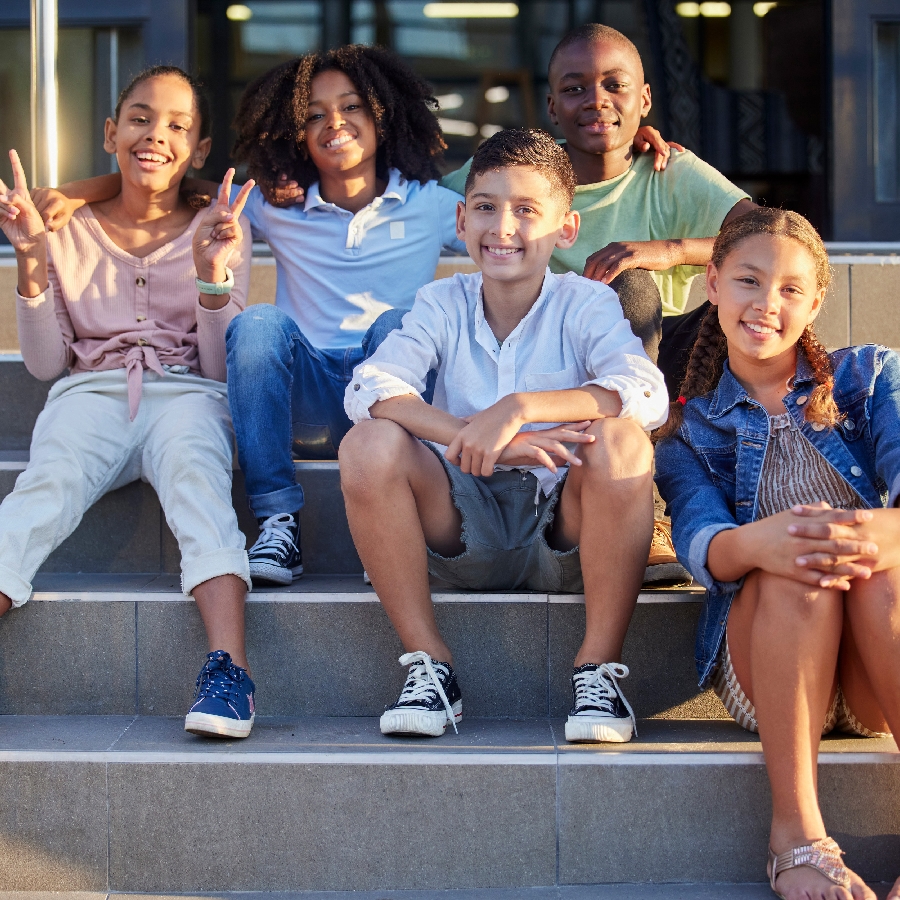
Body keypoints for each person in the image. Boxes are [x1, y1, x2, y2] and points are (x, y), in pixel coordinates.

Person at [339, 128, 668, 742]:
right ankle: (431, 668)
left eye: (526, 211)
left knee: (624, 441)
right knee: (366, 443)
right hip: (463, 524)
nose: (503, 228)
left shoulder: (584, 304)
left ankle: (598, 673)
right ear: (461, 219)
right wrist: (475, 434)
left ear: (565, 229)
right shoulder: (441, 302)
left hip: (563, 533)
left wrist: (519, 409)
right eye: (486, 207)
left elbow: (646, 391)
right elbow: (370, 387)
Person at [441, 23, 756, 583]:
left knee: (634, 287)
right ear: (552, 106)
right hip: (555, 365)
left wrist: (670, 250)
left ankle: (652, 513)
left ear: (645, 98)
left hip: (657, 367)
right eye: (575, 88)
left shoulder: (669, 171)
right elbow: (409, 200)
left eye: (615, 85)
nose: (597, 101)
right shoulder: (520, 179)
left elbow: (774, 235)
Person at [0, 67, 258, 739]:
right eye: (141, 118)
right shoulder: (66, 226)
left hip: (188, 392)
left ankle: (229, 672)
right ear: (112, 132)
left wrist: (211, 277)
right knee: (44, 488)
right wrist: (31, 260)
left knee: (200, 484)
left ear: (200, 150)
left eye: (178, 125)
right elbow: (45, 364)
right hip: (90, 391)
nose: (156, 135)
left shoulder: (220, 223)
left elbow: (216, 363)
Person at [654, 208, 900, 900]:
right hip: (765, 667)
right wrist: (769, 542)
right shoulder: (687, 432)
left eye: (791, 289)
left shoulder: (870, 379)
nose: (767, 304)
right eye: (749, 281)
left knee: (884, 567)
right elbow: (704, 549)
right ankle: (795, 837)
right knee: (796, 570)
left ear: (817, 301)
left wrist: (872, 537)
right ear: (713, 283)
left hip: (869, 667)